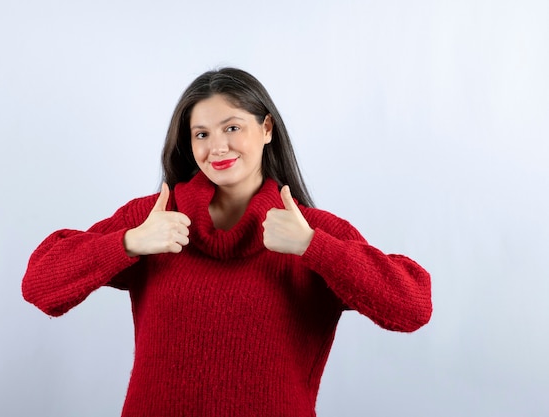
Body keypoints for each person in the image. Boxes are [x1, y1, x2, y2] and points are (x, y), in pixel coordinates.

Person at [22, 67, 432, 416]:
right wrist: (127, 243)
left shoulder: (312, 232)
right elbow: (39, 285)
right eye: (201, 134)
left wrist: (314, 248)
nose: (216, 146)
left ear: (266, 128)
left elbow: (413, 306)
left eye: (232, 127)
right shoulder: (153, 220)